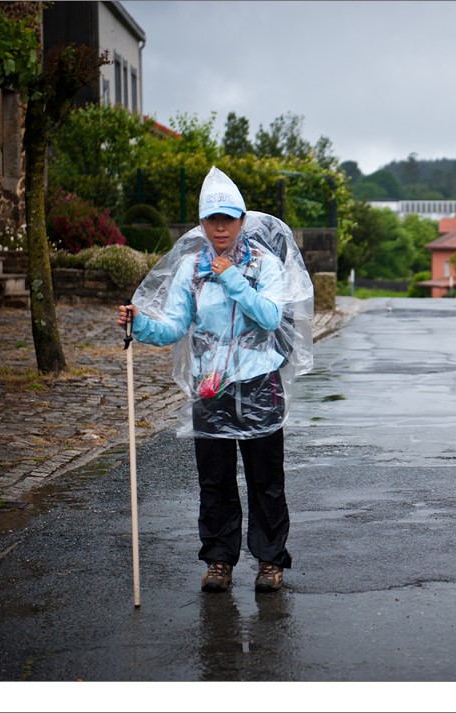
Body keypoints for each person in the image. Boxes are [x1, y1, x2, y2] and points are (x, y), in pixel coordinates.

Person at [118, 167, 314, 593]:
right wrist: (141, 326)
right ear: (202, 223)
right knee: (215, 480)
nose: (220, 226)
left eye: (229, 218)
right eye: (212, 218)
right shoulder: (190, 269)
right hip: (210, 386)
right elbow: (173, 326)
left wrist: (229, 276)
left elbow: (269, 316)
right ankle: (219, 560)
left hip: (260, 384)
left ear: (243, 220)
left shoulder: (264, 265)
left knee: (266, 480)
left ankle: (269, 561)